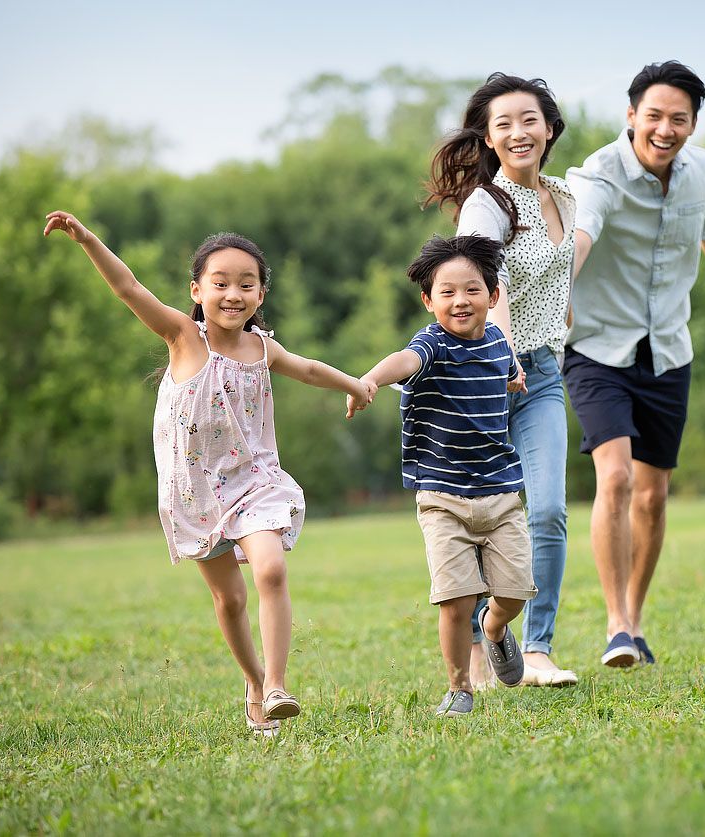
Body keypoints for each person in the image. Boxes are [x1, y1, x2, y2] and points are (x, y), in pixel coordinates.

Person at [43, 211, 375, 735]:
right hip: (195, 493)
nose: (233, 294)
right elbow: (128, 288)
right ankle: (254, 682)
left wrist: (354, 385)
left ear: (261, 295)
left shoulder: (263, 349)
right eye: (220, 283)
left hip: (253, 480)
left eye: (247, 284)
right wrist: (86, 239)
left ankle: (278, 686)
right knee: (230, 598)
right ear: (197, 291)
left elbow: (309, 368)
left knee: (269, 569)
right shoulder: (183, 337)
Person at [564, 61, 705, 667]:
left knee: (653, 497)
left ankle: (636, 617)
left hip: (669, 350)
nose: (664, 128)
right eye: (653, 116)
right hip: (598, 347)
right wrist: (561, 293)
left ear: (693, 124)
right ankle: (615, 625)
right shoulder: (599, 174)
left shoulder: (702, 170)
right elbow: (581, 234)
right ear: (631, 117)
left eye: (678, 119)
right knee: (618, 478)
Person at [425, 73, 577, 688]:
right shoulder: (485, 205)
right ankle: (477, 637)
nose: (518, 132)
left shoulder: (565, 197)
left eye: (529, 119)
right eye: (503, 124)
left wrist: (564, 315)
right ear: (488, 139)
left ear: (549, 128)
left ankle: (528, 644)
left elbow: (565, 262)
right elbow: (492, 286)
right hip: (482, 376)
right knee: (475, 513)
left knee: (547, 510)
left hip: (541, 374)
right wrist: (505, 352)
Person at [358, 234, 534, 717]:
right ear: (429, 301)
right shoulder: (431, 344)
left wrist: (514, 375)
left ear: (492, 297)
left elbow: (505, 365)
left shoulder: (498, 340)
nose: (461, 301)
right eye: (448, 292)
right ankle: (460, 688)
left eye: (473, 290)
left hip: (501, 493)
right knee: (455, 599)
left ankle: (495, 628)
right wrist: (371, 379)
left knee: (515, 592)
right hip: (442, 496)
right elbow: (404, 362)